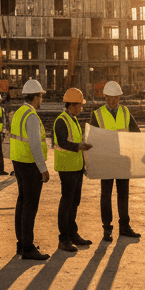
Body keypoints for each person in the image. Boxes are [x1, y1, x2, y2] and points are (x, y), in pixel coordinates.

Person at [90, 80, 140, 241]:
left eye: (116, 98)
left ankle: (124, 226)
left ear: (119, 97)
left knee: (123, 194)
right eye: (110, 98)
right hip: (106, 161)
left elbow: (136, 133)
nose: (113, 101)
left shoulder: (125, 112)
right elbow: (92, 140)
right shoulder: (97, 115)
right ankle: (107, 228)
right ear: (104, 97)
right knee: (106, 195)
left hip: (123, 161)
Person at [10, 78, 50, 260]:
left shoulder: (19, 113)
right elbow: (35, 145)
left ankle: (21, 244)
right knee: (30, 207)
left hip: (18, 162)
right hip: (30, 165)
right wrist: (43, 169)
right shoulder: (31, 116)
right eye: (41, 96)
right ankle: (28, 247)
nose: (41, 99)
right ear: (36, 96)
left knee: (22, 203)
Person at [53, 87, 94, 252]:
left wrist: (84, 162)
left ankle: (72, 234)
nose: (81, 108)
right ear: (71, 105)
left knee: (74, 202)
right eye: (79, 105)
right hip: (66, 167)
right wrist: (79, 146)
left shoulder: (74, 120)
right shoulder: (61, 120)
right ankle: (63, 238)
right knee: (67, 203)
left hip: (76, 167)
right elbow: (63, 142)